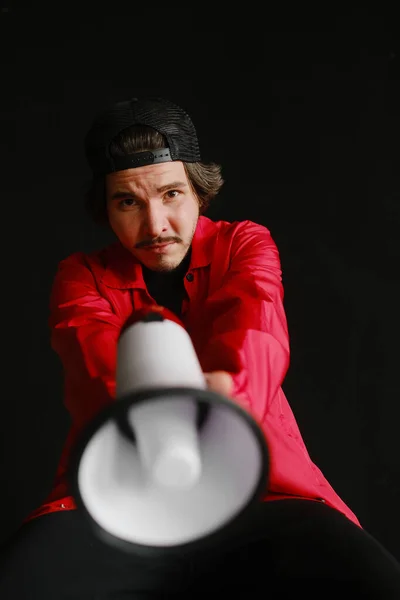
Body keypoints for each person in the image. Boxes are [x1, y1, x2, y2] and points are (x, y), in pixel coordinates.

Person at [1, 96, 400, 599]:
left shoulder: (244, 244)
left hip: (267, 483)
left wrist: (224, 400)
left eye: (171, 194)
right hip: (118, 488)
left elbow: (258, 328)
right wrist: (157, 412)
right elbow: (91, 362)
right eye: (128, 201)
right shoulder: (82, 275)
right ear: (105, 208)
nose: (155, 226)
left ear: (199, 193)